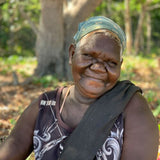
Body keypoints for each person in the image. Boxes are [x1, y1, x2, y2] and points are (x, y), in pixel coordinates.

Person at [0, 16, 159, 160]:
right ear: (72, 54)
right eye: (88, 56)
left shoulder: (132, 108)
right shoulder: (44, 107)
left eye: (111, 62)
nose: (98, 67)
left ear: (120, 66)